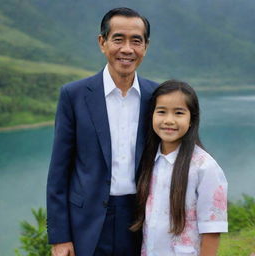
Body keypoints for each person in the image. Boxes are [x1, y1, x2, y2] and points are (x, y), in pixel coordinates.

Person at [46, 7, 158, 256]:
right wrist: (59, 237)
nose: (127, 49)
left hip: (142, 220)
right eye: (118, 39)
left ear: (145, 47)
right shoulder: (74, 95)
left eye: (136, 41)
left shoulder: (156, 96)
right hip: (87, 223)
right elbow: (59, 172)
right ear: (102, 42)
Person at [131, 80, 228, 256]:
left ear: (192, 119)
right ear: (151, 115)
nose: (169, 120)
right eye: (161, 112)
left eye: (179, 113)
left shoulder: (204, 167)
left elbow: (212, 229)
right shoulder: (149, 160)